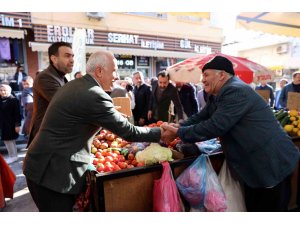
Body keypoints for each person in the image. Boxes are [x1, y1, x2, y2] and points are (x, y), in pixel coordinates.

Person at [23, 50, 168, 212]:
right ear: (99, 71)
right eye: (113, 70)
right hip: (51, 175)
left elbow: (80, 117)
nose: (116, 76)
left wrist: (109, 116)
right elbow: (129, 132)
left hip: (43, 167)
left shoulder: (77, 84)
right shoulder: (94, 94)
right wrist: (161, 133)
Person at [161, 55, 299, 212]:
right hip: (256, 165)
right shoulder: (218, 93)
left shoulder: (235, 91)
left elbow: (214, 126)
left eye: (206, 75)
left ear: (222, 75)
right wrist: (178, 126)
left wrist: (179, 132)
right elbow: (202, 116)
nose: (202, 80)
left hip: (271, 163)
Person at [27, 42, 74, 146]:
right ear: (54, 59)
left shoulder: (61, 76)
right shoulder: (45, 78)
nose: (72, 60)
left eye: (72, 56)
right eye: (67, 56)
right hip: (45, 139)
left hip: (55, 136)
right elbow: (67, 105)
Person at [0, 84, 22, 164]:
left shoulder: (13, 100)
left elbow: (17, 114)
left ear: (9, 91)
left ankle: (13, 156)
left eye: (4, 90)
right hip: (3, 123)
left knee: (9, 139)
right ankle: (13, 156)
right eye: (1, 90)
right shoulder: (1, 99)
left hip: (11, 123)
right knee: (7, 140)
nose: (2, 92)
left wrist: (17, 125)